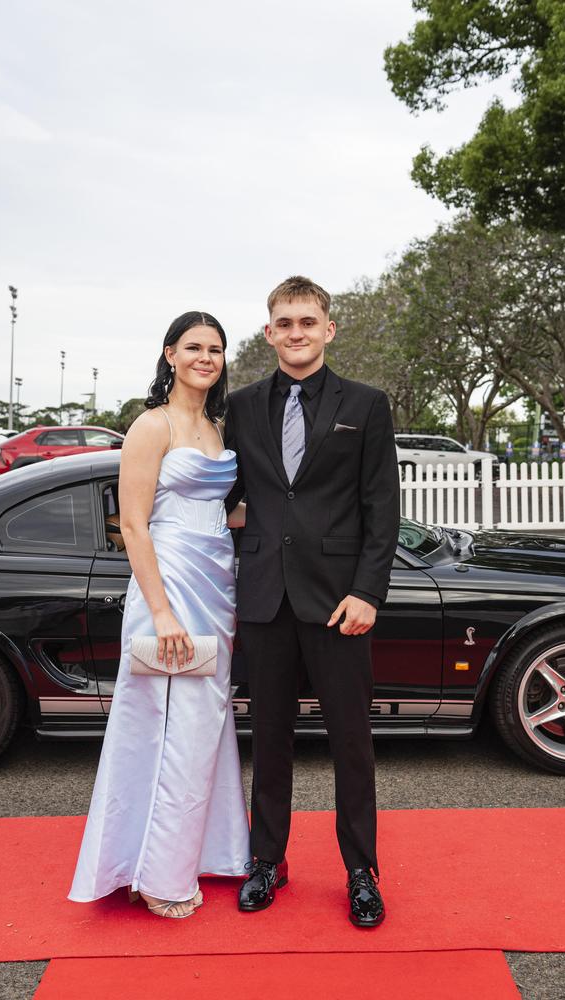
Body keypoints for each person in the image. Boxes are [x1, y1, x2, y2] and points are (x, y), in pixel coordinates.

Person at [225, 276, 400, 928]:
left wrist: (368, 592)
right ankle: (267, 861)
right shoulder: (241, 407)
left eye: (307, 321)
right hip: (266, 600)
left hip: (338, 605)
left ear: (329, 329)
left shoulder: (367, 404)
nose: (296, 332)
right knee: (269, 741)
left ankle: (361, 871)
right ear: (269, 332)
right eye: (285, 322)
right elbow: (222, 493)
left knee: (352, 744)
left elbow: (382, 508)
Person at [69, 311, 250, 918]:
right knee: (162, 728)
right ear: (169, 354)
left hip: (217, 582)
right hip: (168, 586)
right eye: (194, 347)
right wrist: (162, 612)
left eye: (216, 349)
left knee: (204, 724)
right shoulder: (151, 426)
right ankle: (156, 874)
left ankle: (204, 850)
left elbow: (218, 513)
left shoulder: (219, 426)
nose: (207, 357)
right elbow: (135, 525)